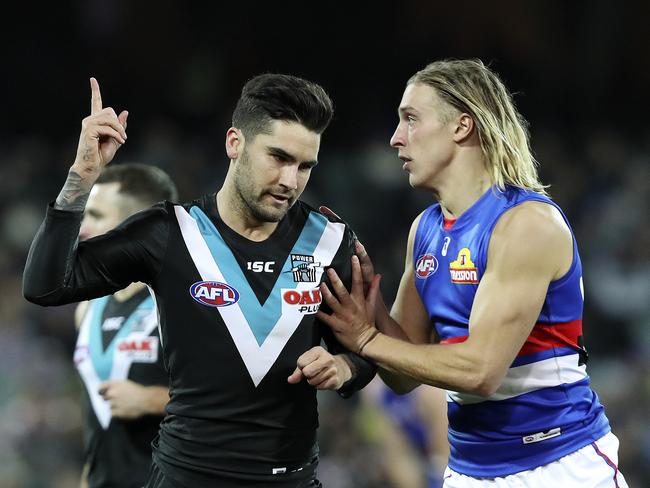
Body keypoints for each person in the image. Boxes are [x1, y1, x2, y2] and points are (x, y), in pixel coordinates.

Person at [23, 74, 375, 487]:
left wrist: (343, 367)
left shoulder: (331, 241)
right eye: (278, 157)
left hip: (290, 479)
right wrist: (81, 178)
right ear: (234, 143)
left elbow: (367, 351)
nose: (290, 181)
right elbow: (45, 287)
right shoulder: (169, 232)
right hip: (186, 476)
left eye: (304, 166)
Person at [317, 59, 628, 487]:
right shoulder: (424, 229)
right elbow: (404, 373)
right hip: (468, 469)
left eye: (411, 119)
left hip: (558, 464)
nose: (396, 138)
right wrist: (366, 307)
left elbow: (480, 372)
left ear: (462, 126)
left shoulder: (526, 224)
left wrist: (368, 339)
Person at [73, 163, 177, 488]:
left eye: (97, 216)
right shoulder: (87, 307)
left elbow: (232, 401)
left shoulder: (182, 305)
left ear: (137, 226)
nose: (82, 228)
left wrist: (151, 400)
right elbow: (95, 419)